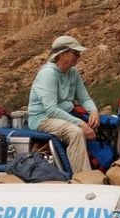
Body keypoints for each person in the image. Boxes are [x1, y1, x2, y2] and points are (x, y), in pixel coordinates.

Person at [27, 34, 100, 176]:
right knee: (75, 132)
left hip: (64, 116)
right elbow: (51, 110)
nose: (79, 56)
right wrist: (80, 123)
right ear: (63, 54)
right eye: (75, 53)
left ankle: (100, 166)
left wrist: (93, 111)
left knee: (97, 125)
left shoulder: (73, 73)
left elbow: (84, 98)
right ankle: (82, 177)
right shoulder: (48, 74)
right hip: (43, 118)